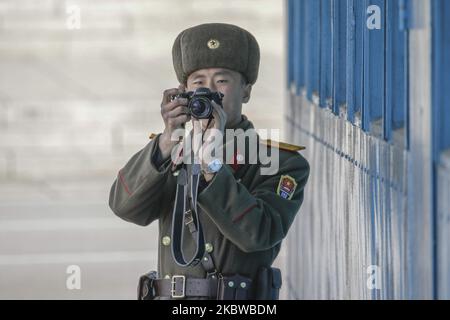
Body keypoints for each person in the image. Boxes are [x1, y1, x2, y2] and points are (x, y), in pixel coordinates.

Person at [108, 23, 309, 300]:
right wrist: (167, 140)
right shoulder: (173, 151)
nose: (210, 92)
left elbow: (258, 235)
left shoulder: (280, 162)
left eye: (222, 81)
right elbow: (125, 207)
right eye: (198, 82)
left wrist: (211, 162)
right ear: (184, 91)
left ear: (246, 90)